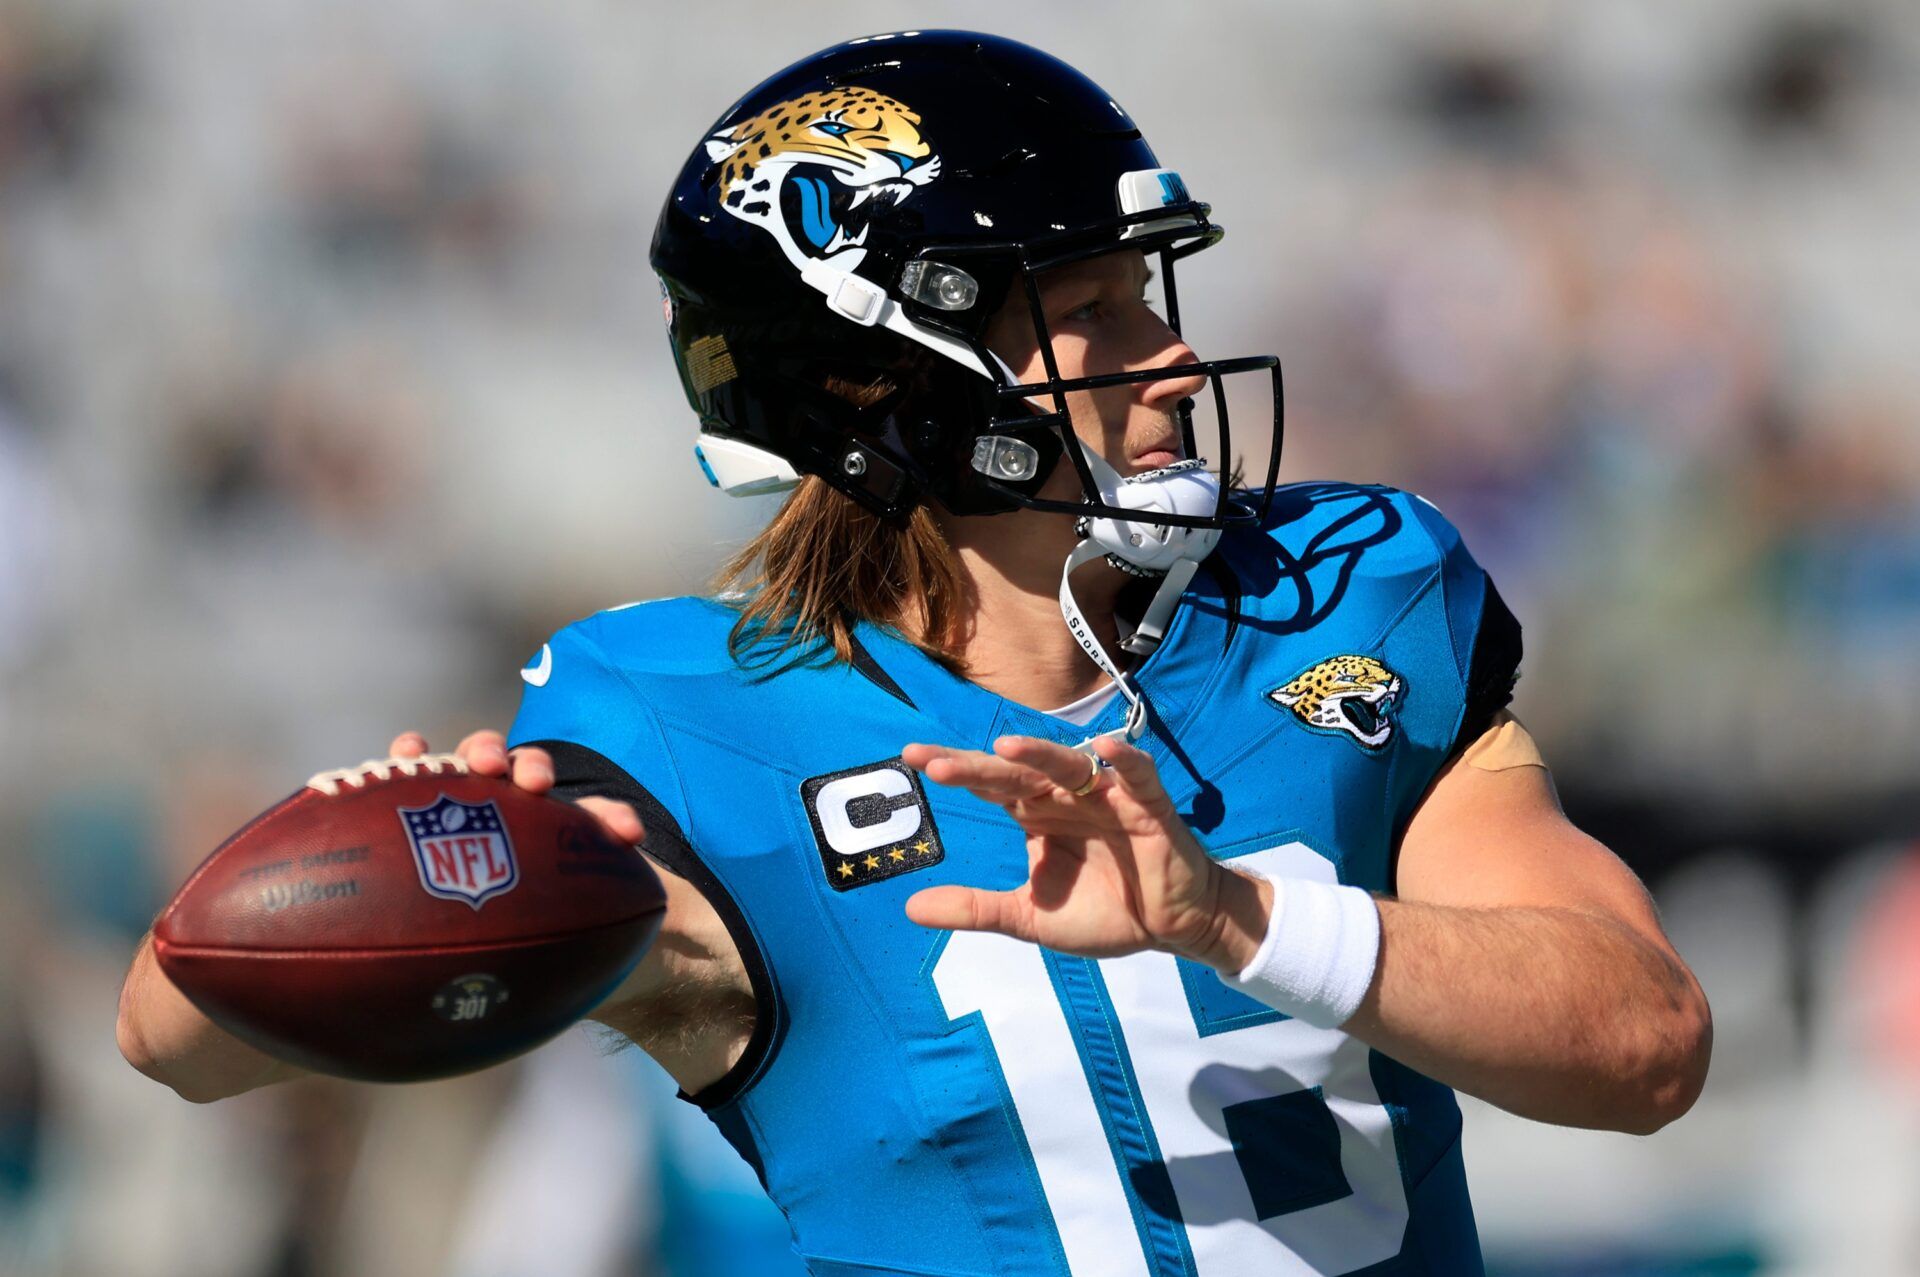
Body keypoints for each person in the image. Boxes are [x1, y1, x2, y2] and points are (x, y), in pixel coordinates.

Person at [118, 31, 1712, 1276]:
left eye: (1148, 292)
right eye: (1087, 311)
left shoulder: (1344, 589)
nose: (1167, 358)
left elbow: (1643, 1045)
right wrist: (416, 857)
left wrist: (1233, 916)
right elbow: (173, 1032)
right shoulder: (678, 721)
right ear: (889, 388)